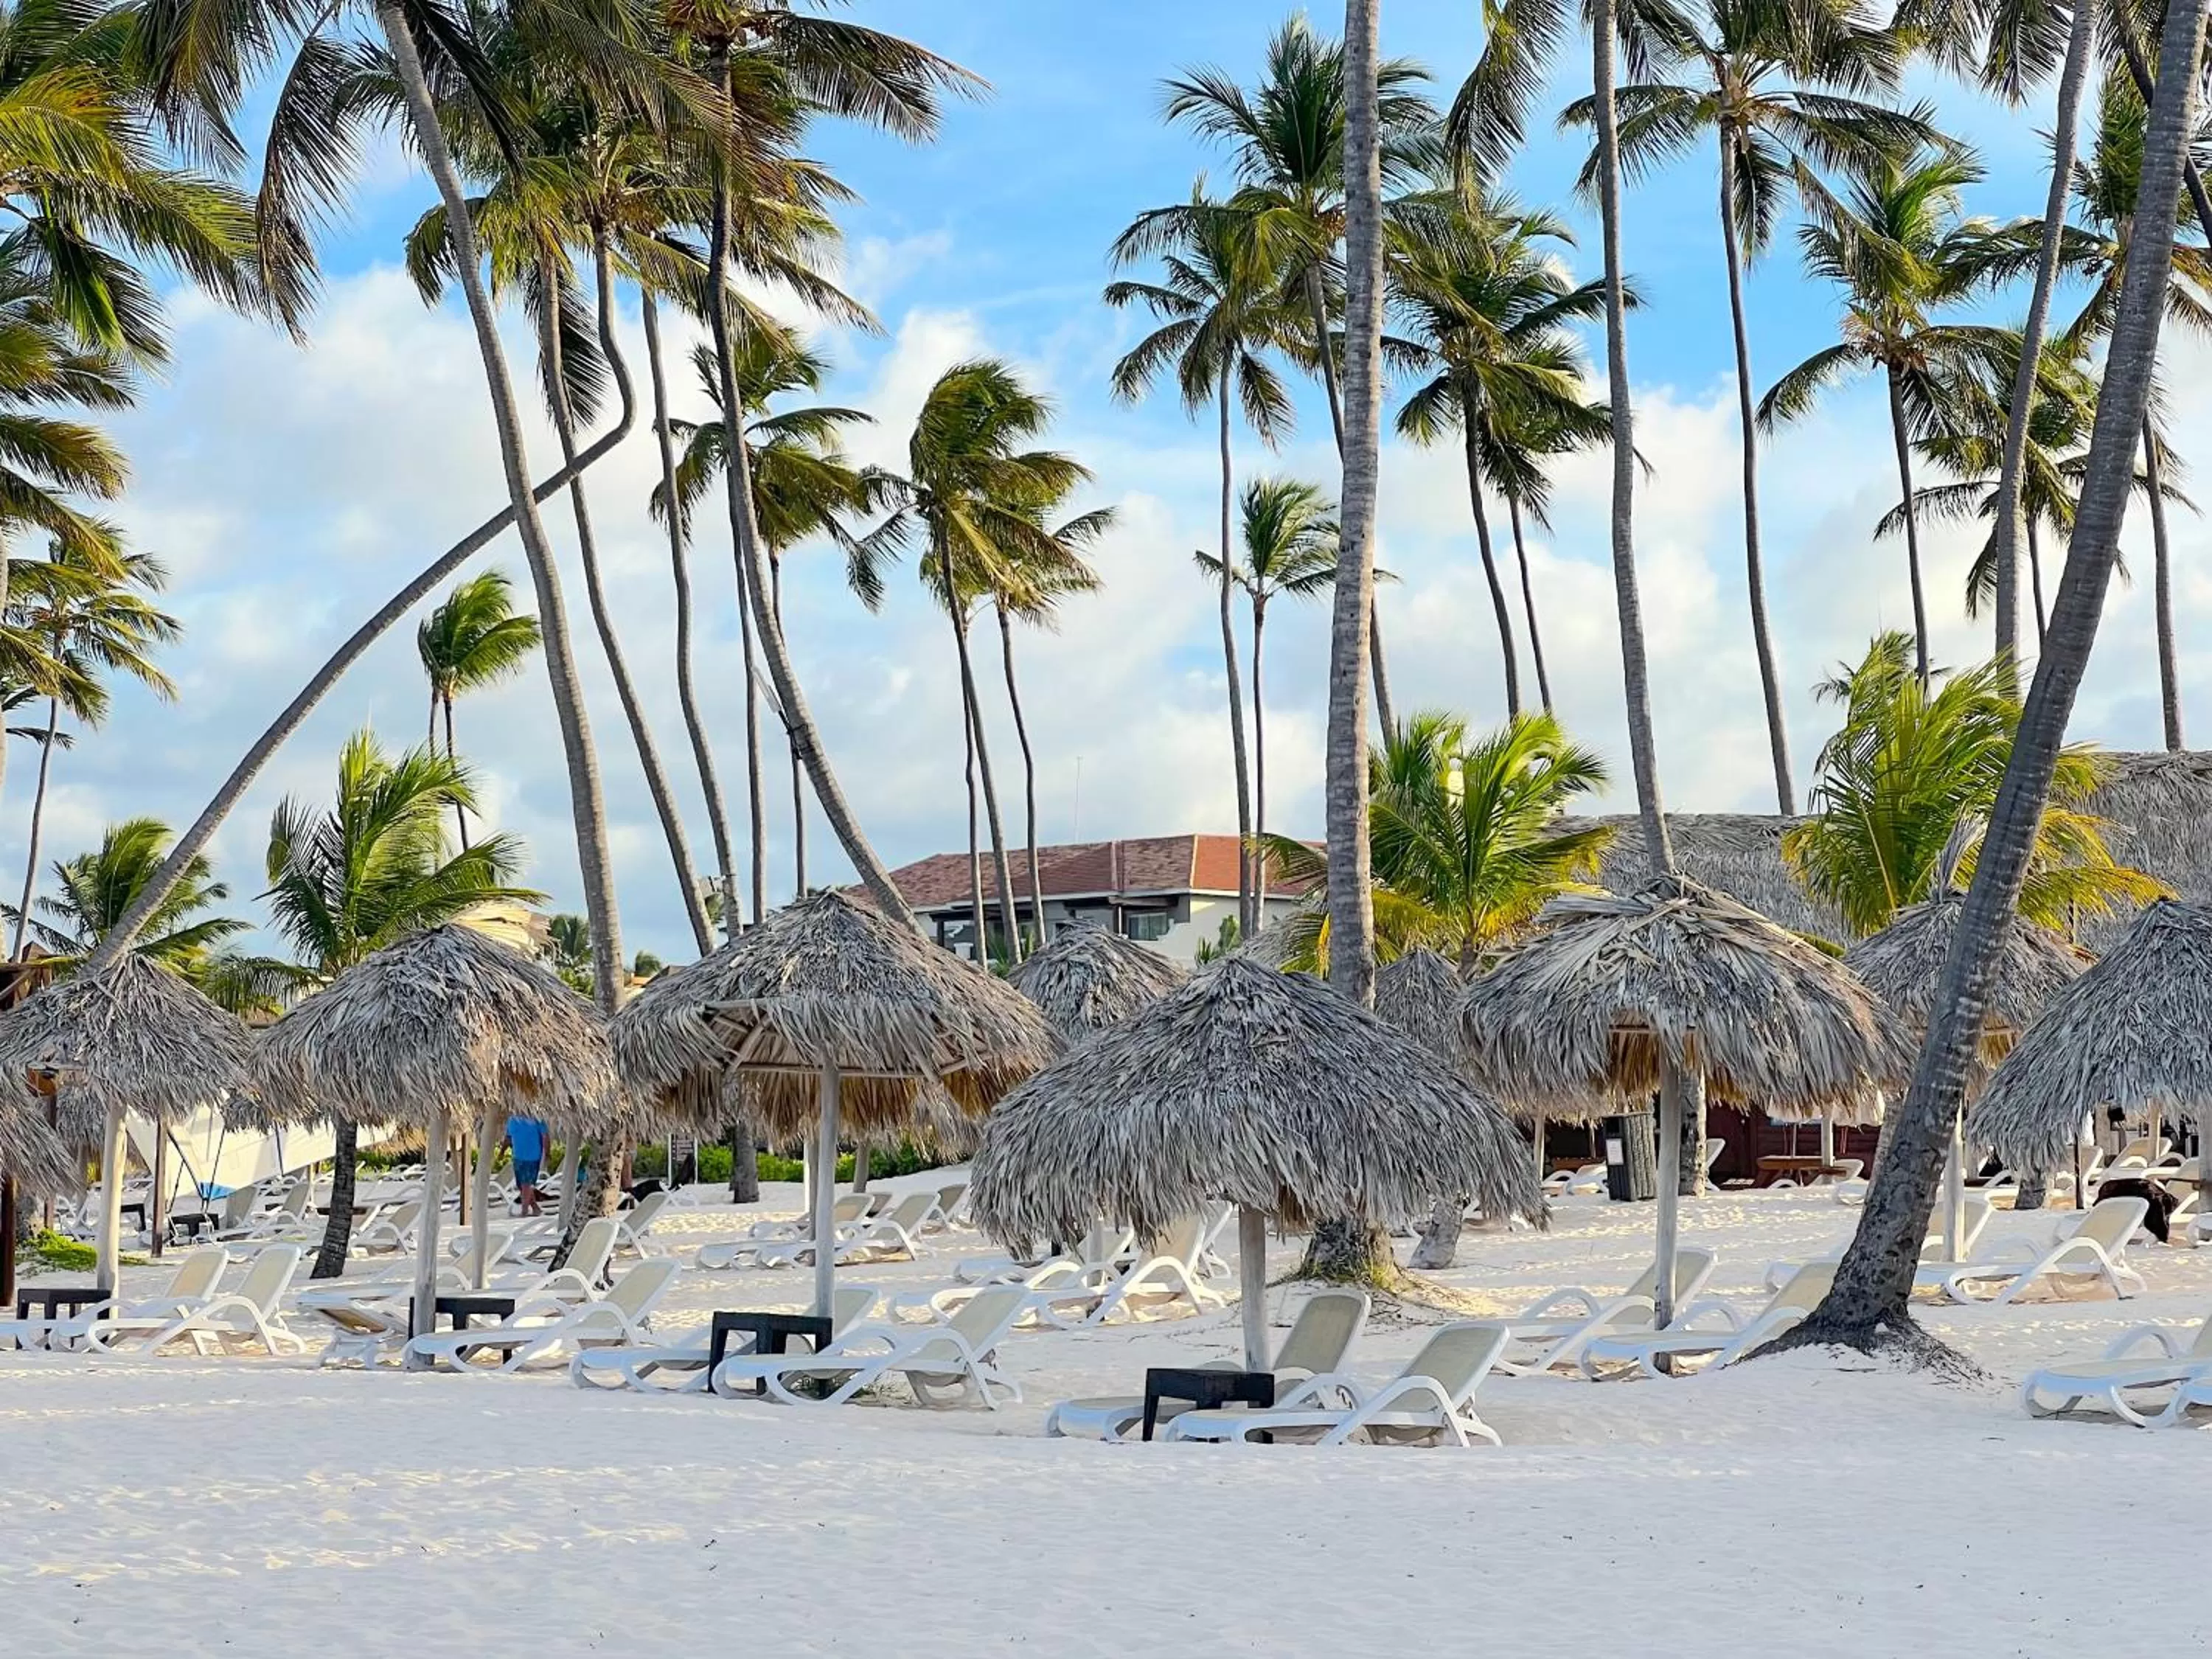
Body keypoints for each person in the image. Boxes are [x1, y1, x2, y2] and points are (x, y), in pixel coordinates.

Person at [505, 1116, 549, 1216]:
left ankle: (524, 1211)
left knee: (526, 1184)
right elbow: (508, 1137)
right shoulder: (512, 1120)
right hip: (518, 1156)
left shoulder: (537, 1119)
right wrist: (502, 1151)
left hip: (533, 1157)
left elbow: (545, 1136)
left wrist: (547, 1152)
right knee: (521, 1185)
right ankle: (535, 1208)